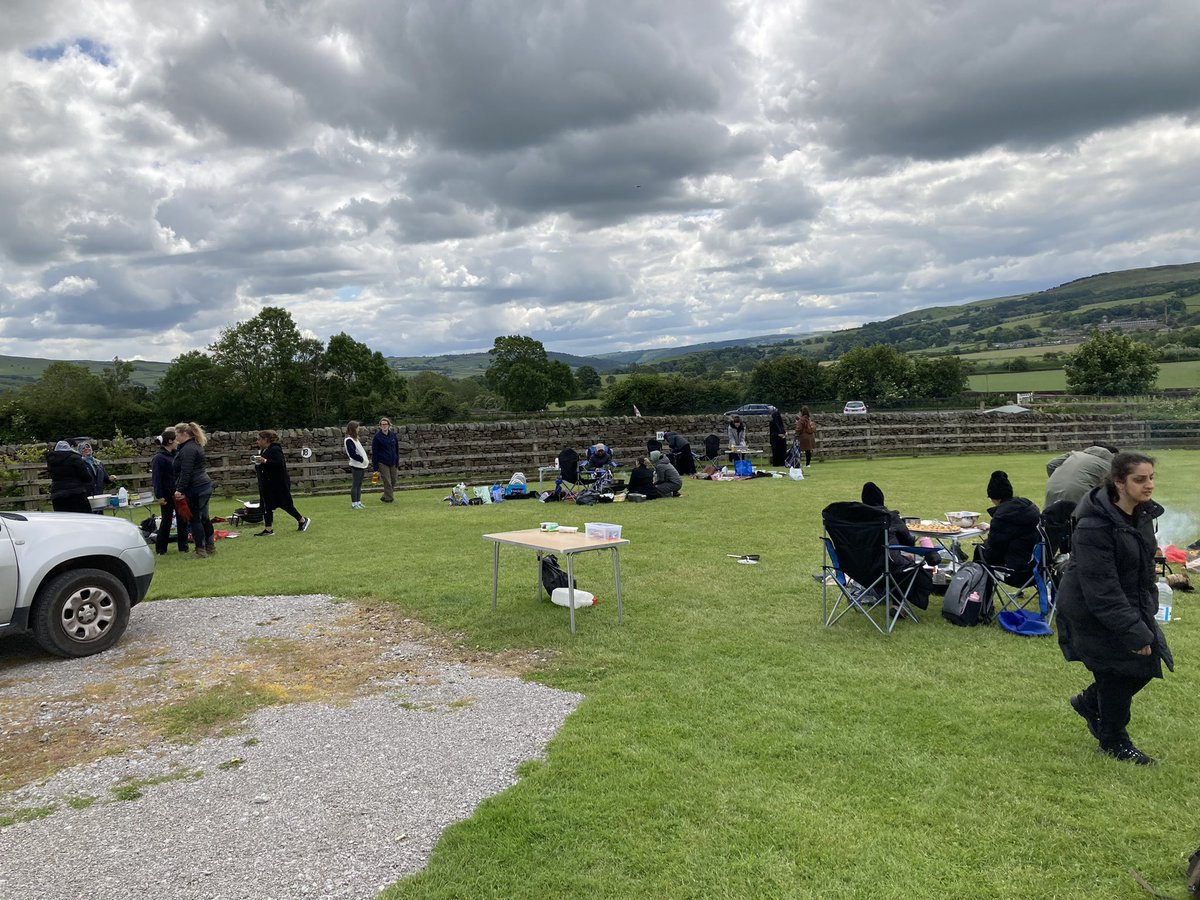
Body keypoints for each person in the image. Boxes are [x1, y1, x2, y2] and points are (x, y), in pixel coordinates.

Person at [1056, 452, 1172, 765]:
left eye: (1151, 477)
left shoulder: (1142, 515)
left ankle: (1090, 702)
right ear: (1119, 482)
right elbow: (1101, 588)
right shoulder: (1094, 525)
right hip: (1088, 607)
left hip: (1125, 600)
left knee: (1148, 661)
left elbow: (1144, 570)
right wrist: (1133, 630)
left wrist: (1147, 609)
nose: (1149, 485)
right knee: (1117, 669)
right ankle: (1114, 740)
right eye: (1140, 479)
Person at [860, 481, 939, 609]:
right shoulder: (889, 517)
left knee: (898, 562)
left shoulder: (854, 520)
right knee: (907, 568)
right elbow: (908, 542)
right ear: (882, 500)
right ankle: (898, 605)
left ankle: (897, 605)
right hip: (887, 570)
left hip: (859, 569)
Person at [975, 471, 1041, 583]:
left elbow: (993, 552)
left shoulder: (1001, 518)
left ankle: (980, 596)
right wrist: (992, 528)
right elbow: (1018, 531)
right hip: (1037, 566)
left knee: (980, 551)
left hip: (1016, 571)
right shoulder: (1029, 509)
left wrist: (986, 542)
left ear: (993, 498)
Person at [252, 430, 311, 535]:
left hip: (278, 484)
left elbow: (279, 463)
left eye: (259, 439)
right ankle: (268, 529)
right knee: (266, 505)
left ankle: (302, 520)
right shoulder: (263, 450)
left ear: (265, 440)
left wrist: (265, 461)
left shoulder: (275, 449)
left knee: (286, 504)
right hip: (266, 484)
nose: (257, 441)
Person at [173, 422, 215, 559]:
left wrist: (179, 489)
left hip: (195, 488)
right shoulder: (194, 446)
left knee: (195, 519)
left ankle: (200, 549)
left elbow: (186, 471)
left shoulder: (188, 449)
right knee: (204, 518)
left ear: (184, 434)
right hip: (204, 485)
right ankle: (210, 545)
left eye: (177, 434)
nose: (175, 437)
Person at [151, 428, 189, 555]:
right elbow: (156, 478)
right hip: (166, 494)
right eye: (175, 440)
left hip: (178, 492)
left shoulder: (175, 455)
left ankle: (183, 546)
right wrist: (159, 496)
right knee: (166, 521)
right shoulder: (159, 458)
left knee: (182, 519)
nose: (178, 442)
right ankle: (161, 548)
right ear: (170, 441)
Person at [1045, 444, 1119, 508]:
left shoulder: (1075, 454)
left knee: (1051, 518)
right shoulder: (1109, 464)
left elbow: (1051, 465)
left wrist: (1060, 479)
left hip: (1053, 486)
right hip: (1079, 491)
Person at [44, 440, 93, 513]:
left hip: (57, 493)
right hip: (75, 493)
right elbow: (85, 477)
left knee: (64, 519)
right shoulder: (75, 458)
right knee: (83, 517)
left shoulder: (51, 460)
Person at [79, 441, 117, 513]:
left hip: (99, 496)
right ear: (80, 451)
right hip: (87, 496)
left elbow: (105, 478)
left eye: (88, 447)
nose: (86, 449)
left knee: (99, 518)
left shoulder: (98, 463)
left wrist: (110, 478)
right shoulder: (80, 463)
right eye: (83, 448)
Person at [371, 417, 399, 503]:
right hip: (382, 462)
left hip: (393, 461)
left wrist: (397, 460)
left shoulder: (393, 435)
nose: (384, 426)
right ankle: (389, 499)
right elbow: (374, 452)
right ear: (380, 426)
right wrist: (375, 468)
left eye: (385, 424)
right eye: (382, 424)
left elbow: (396, 449)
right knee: (387, 481)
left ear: (389, 425)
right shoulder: (377, 437)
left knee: (393, 480)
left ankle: (385, 496)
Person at [345, 421, 370, 509]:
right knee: (355, 484)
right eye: (357, 428)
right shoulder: (349, 440)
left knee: (359, 484)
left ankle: (358, 502)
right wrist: (361, 459)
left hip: (361, 465)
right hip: (356, 465)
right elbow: (352, 453)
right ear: (353, 429)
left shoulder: (356, 439)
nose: (358, 429)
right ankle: (354, 503)